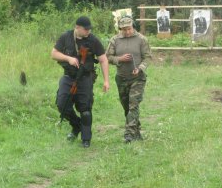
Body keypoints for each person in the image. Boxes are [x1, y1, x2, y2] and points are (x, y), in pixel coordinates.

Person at [51, 16, 109, 148]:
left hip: (85, 78)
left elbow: (103, 59)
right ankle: (76, 126)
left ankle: (86, 138)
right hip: (68, 77)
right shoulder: (66, 37)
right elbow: (54, 54)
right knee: (62, 104)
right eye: (86, 29)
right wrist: (68, 58)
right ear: (77, 27)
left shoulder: (93, 40)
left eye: (89, 29)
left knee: (85, 109)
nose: (88, 31)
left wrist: (106, 81)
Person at [106, 16, 152, 143]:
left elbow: (147, 57)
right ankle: (136, 131)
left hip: (138, 78)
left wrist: (140, 68)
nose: (127, 32)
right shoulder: (114, 40)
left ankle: (129, 135)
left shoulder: (142, 39)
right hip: (121, 78)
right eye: (124, 29)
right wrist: (119, 59)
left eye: (129, 28)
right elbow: (107, 57)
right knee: (127, 107)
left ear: (133, 26)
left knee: (133, 104)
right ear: (120, 29)